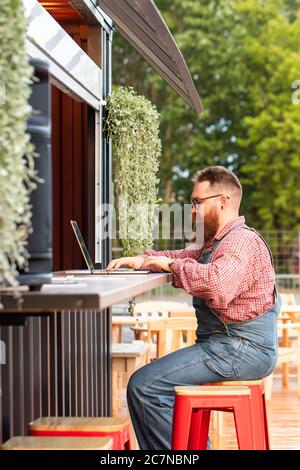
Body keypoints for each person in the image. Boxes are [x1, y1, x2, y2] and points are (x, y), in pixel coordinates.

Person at [106, 166, 281, 450]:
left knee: (145, 387)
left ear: (222, 201)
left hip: (242, 348)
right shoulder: (215, 242)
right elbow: (181, 255)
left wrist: (171, 266)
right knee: (153, 386)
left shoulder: (241, 241)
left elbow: (218, 285)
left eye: (197, 203)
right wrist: (143, 259)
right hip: (229, 345)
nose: (191, 211)